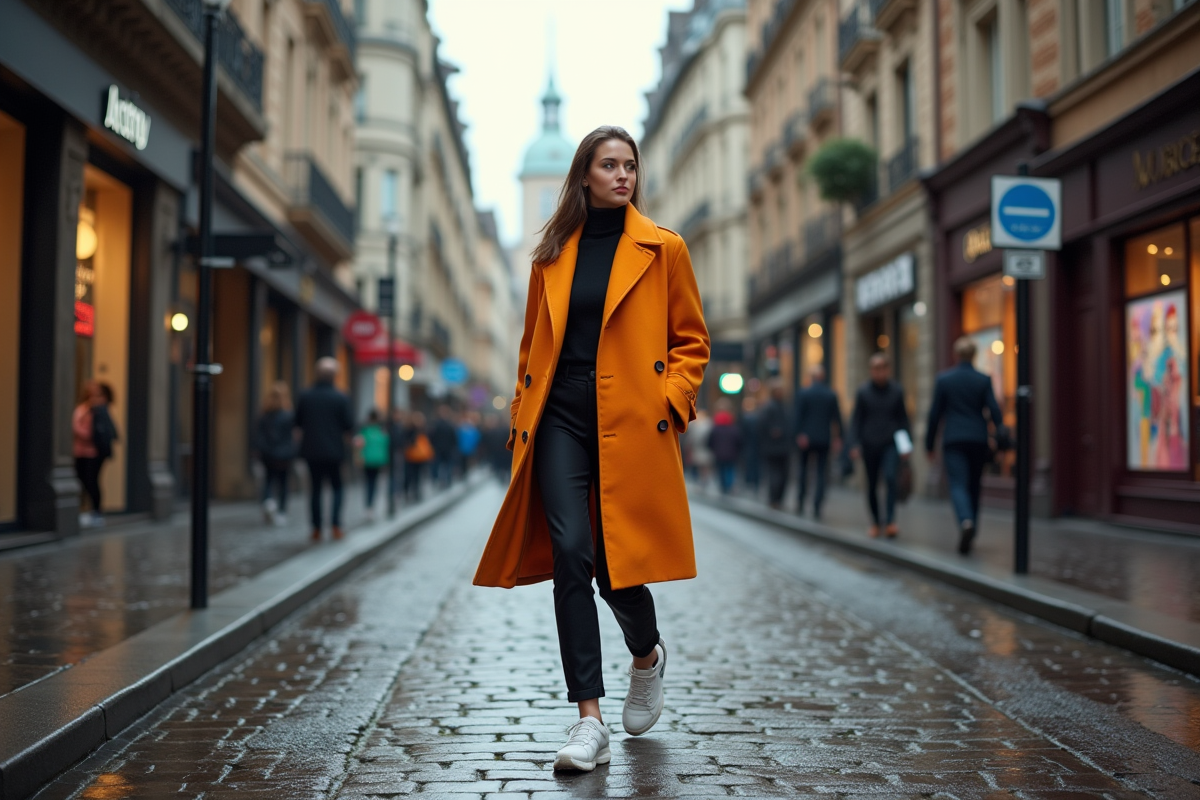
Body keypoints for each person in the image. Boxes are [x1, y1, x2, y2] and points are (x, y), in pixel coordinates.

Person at [473, 126, 710, 772]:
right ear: (584, 175)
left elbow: (692, 342)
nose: (622, 175)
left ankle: (647, 655)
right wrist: (522, 413)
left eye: (629, 165)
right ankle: (589, 720)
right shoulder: (550, 255)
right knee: (571, 553)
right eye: (609, 165)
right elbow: (531, 346)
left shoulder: (664, 248)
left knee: (615, 566)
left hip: (631, 417)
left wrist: (670, 400)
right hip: (559, 417)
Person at [925, 336, 1003, 555]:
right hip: (978, 438)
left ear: (956, 354)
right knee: (974, 486)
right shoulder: (983, 379)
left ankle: (965, 520)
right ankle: (972, 529)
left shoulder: (944, 380)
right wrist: (999, 434)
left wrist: (929, 444)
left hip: (954, 439)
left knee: (958, 484)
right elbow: (994, 410)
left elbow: (934, 415)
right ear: (974, 355)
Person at [848, 353, 911, 538]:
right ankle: (876, 522)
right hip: (869, 444)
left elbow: (903, 419)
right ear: (871, 371)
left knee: (891, 478)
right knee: (872, 483)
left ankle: (890, 521)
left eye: (882, 368)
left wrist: (906, 445)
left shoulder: (896, 390)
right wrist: (854, 443)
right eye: (876, 369)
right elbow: (856, 420)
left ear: (887, 370)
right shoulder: (863, 392)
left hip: (890, 443)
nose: (879, 372)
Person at [294, 358, 354, 541]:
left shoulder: (306, 396)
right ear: (334, 375)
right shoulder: (341, 397)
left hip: (312, 450)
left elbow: (297, 423)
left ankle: (316, 528)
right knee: (337, 487)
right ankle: (335, 525)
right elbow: (348, 425)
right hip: (335, 451)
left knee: (315, 489)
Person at [793, 365, 843, 519]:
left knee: (804, 470)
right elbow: (837, 418)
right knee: (821, 473)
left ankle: (801, 501)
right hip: (824, 438)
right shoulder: (830, 394)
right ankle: (817, 505)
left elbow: (798, 417)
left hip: (806, 438)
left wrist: (799, 434)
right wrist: (839, 437)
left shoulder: (804, 393)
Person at [72, 380, 118, 529]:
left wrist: (78, 430)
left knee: (92, 480)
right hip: (80, 451)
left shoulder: (100, 410)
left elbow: (92, 431)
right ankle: (86, 510)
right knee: (82, 480)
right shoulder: (83, 408)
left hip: (94, 452)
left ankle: (96, 512)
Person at [255, 381, 296, 527]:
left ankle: (268, 502)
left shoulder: (264, 415)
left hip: (268, 454)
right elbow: (291, 436)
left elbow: (259, 435)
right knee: (283, 483)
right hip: (284, 455)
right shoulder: (289, 415)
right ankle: (281, 512)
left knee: (268, 480)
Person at [759, 380, 791, 509]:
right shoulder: (771, 407)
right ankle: (775, 499)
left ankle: (777, 499)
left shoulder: (782, 407)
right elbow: (763, 427)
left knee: (781, 474)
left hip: (780, 447)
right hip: (774, 447)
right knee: (776, 474)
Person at [356, 409, 390, 521]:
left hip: (367, 460)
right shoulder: (382, 431)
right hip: (378, 461)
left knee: (368, 483)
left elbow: (358, 444)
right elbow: (386, 446)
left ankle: (368, 507)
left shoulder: (365, 431)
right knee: (373, 483)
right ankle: (371, 507)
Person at [707, 399, 742, 494]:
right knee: (730, 469)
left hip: (718, 452)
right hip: (732, 452)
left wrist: (712, 448)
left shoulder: (716, 427)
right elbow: (738, 440)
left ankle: (723, 486)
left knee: (721, 469)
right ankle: (729, 485)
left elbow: (711, 440)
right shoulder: (733, 427)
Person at [402, 411, 433, 501]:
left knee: (418, 476)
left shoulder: (424, 430)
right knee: (409, 476)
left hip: (420, 457)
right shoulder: (409, 430)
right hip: (410, 457)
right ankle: (407, 491)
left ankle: (416, 492)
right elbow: (406, 442)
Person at [429, 405, 459, 488]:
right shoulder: (446, 425)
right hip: (440, 449)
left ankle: (443, 480)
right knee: (440, 465)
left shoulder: (437, 424)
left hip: (444, 449)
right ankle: (443, 480)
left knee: (443, 465)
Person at [685, 408, 714, 488]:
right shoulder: (695, 424)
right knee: (699, 464)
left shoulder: (707, 424)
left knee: (703, 464)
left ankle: (703, 480)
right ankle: (701, 480)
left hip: (704, 447)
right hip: (698, 448)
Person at [739, 395, 761, 494]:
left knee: (748, 464)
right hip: (755, 445)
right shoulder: (758, 417)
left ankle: (749, 482)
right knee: (755, 464)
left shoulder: (745, 418)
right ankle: (755, 482)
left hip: (748, 445)